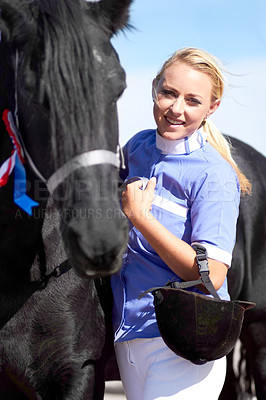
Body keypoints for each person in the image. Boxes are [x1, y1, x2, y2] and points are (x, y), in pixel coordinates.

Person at [111, 47, 251, 400]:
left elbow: (212, 275)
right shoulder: (137, 147)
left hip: (181, 342)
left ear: (212, 107)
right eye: (169, 93)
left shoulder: (214, 174)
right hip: (128, 339)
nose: (176, 109)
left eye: (193, 100)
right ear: (155, 88)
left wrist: (141, 219)